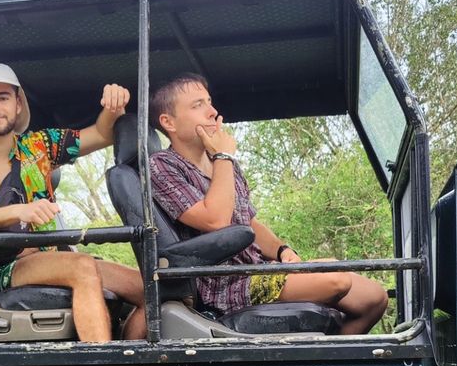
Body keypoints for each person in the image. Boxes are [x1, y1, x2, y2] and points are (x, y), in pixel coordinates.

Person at [148, 74, 388, 335]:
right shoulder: (163, 166)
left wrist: (282, 250)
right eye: (197, 105)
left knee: (375, 298)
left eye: (209, 102)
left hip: (257, 270)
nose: (212, 112)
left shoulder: (223, 163)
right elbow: (215, 220)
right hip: (224, 285)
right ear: (168, 122)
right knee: (336, 279)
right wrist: (223, 156)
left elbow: (248, 223)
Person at [0, 61, 146, 342]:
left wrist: (112, 110)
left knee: (147, 288)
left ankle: (131, 363)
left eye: (2, 97)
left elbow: (102, 134)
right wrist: (21, 211)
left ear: (18, 104)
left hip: (49, 257)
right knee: (80, 266)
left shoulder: (38, 146)